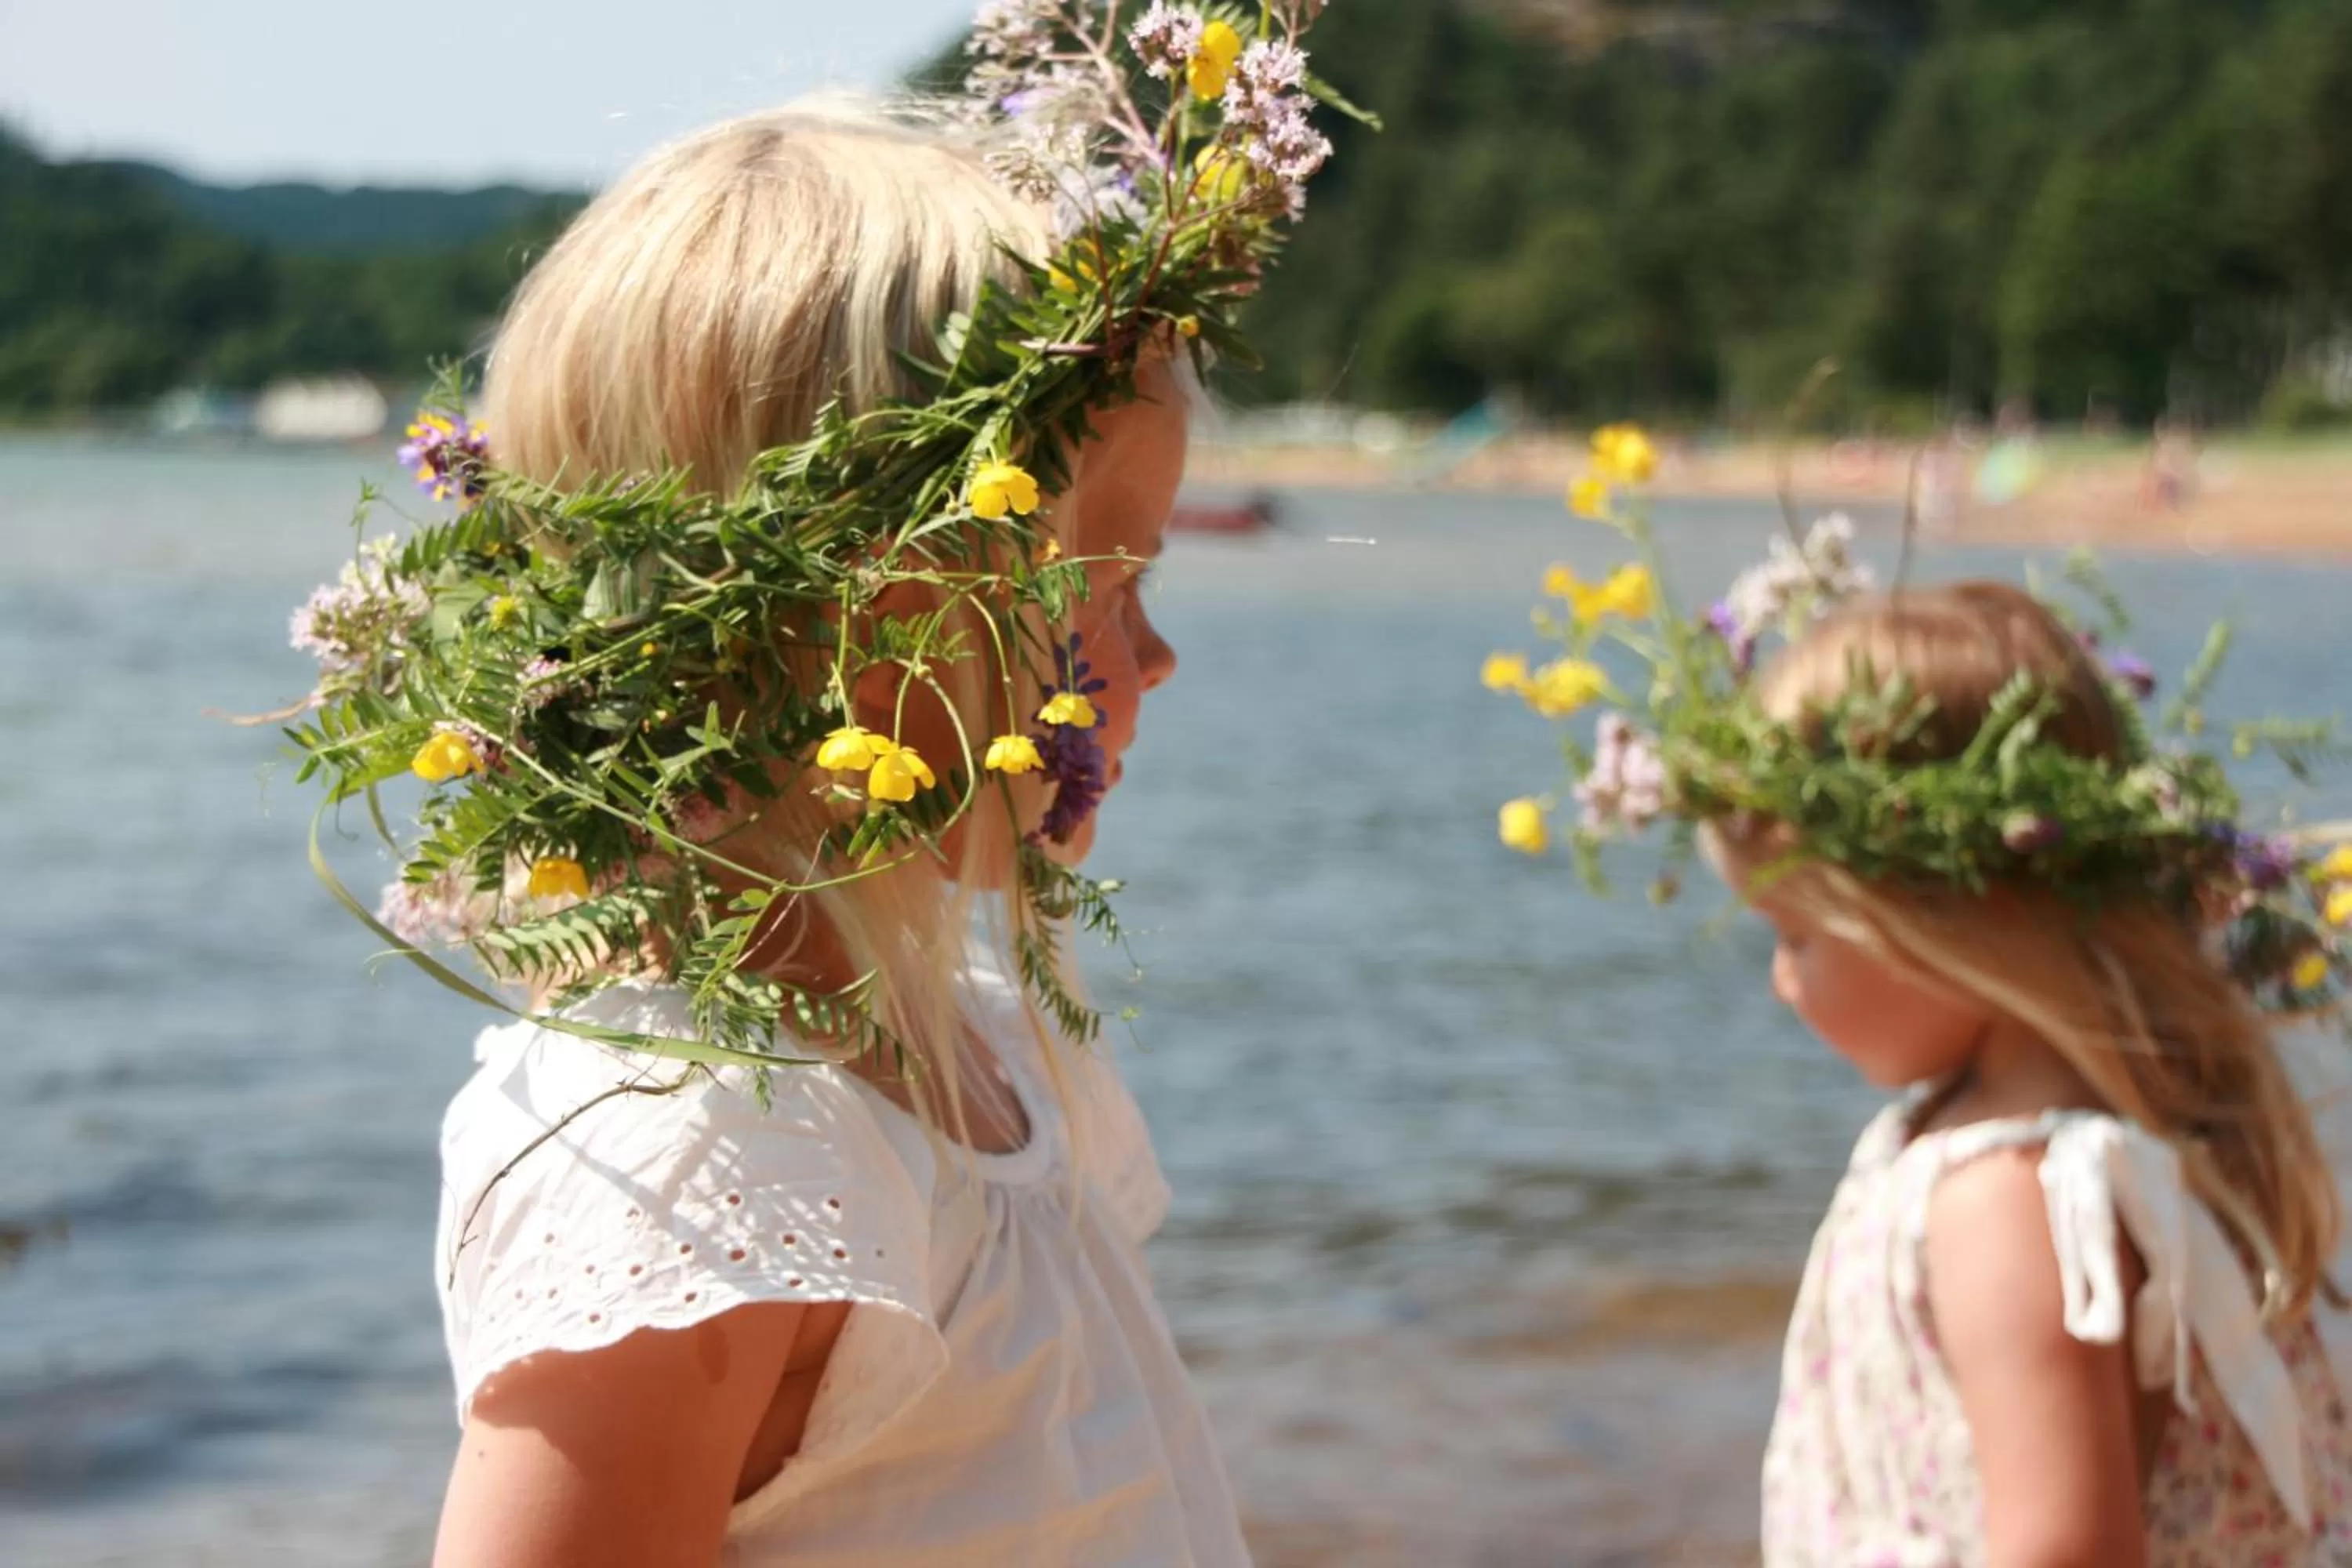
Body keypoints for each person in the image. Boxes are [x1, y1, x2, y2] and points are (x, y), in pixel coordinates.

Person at [270, 7, 1348, 1562]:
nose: (1155, 655)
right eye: (1102, 584)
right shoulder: (700, 1155)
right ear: (864, 613)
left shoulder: (975, 1050)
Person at [1487, 445, 2352, 1562]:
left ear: (1945, 925)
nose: (1781, 980)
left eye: (1799, 937)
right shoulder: (2066, 1144)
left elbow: (2064, 1551)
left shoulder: (2008, 1204)